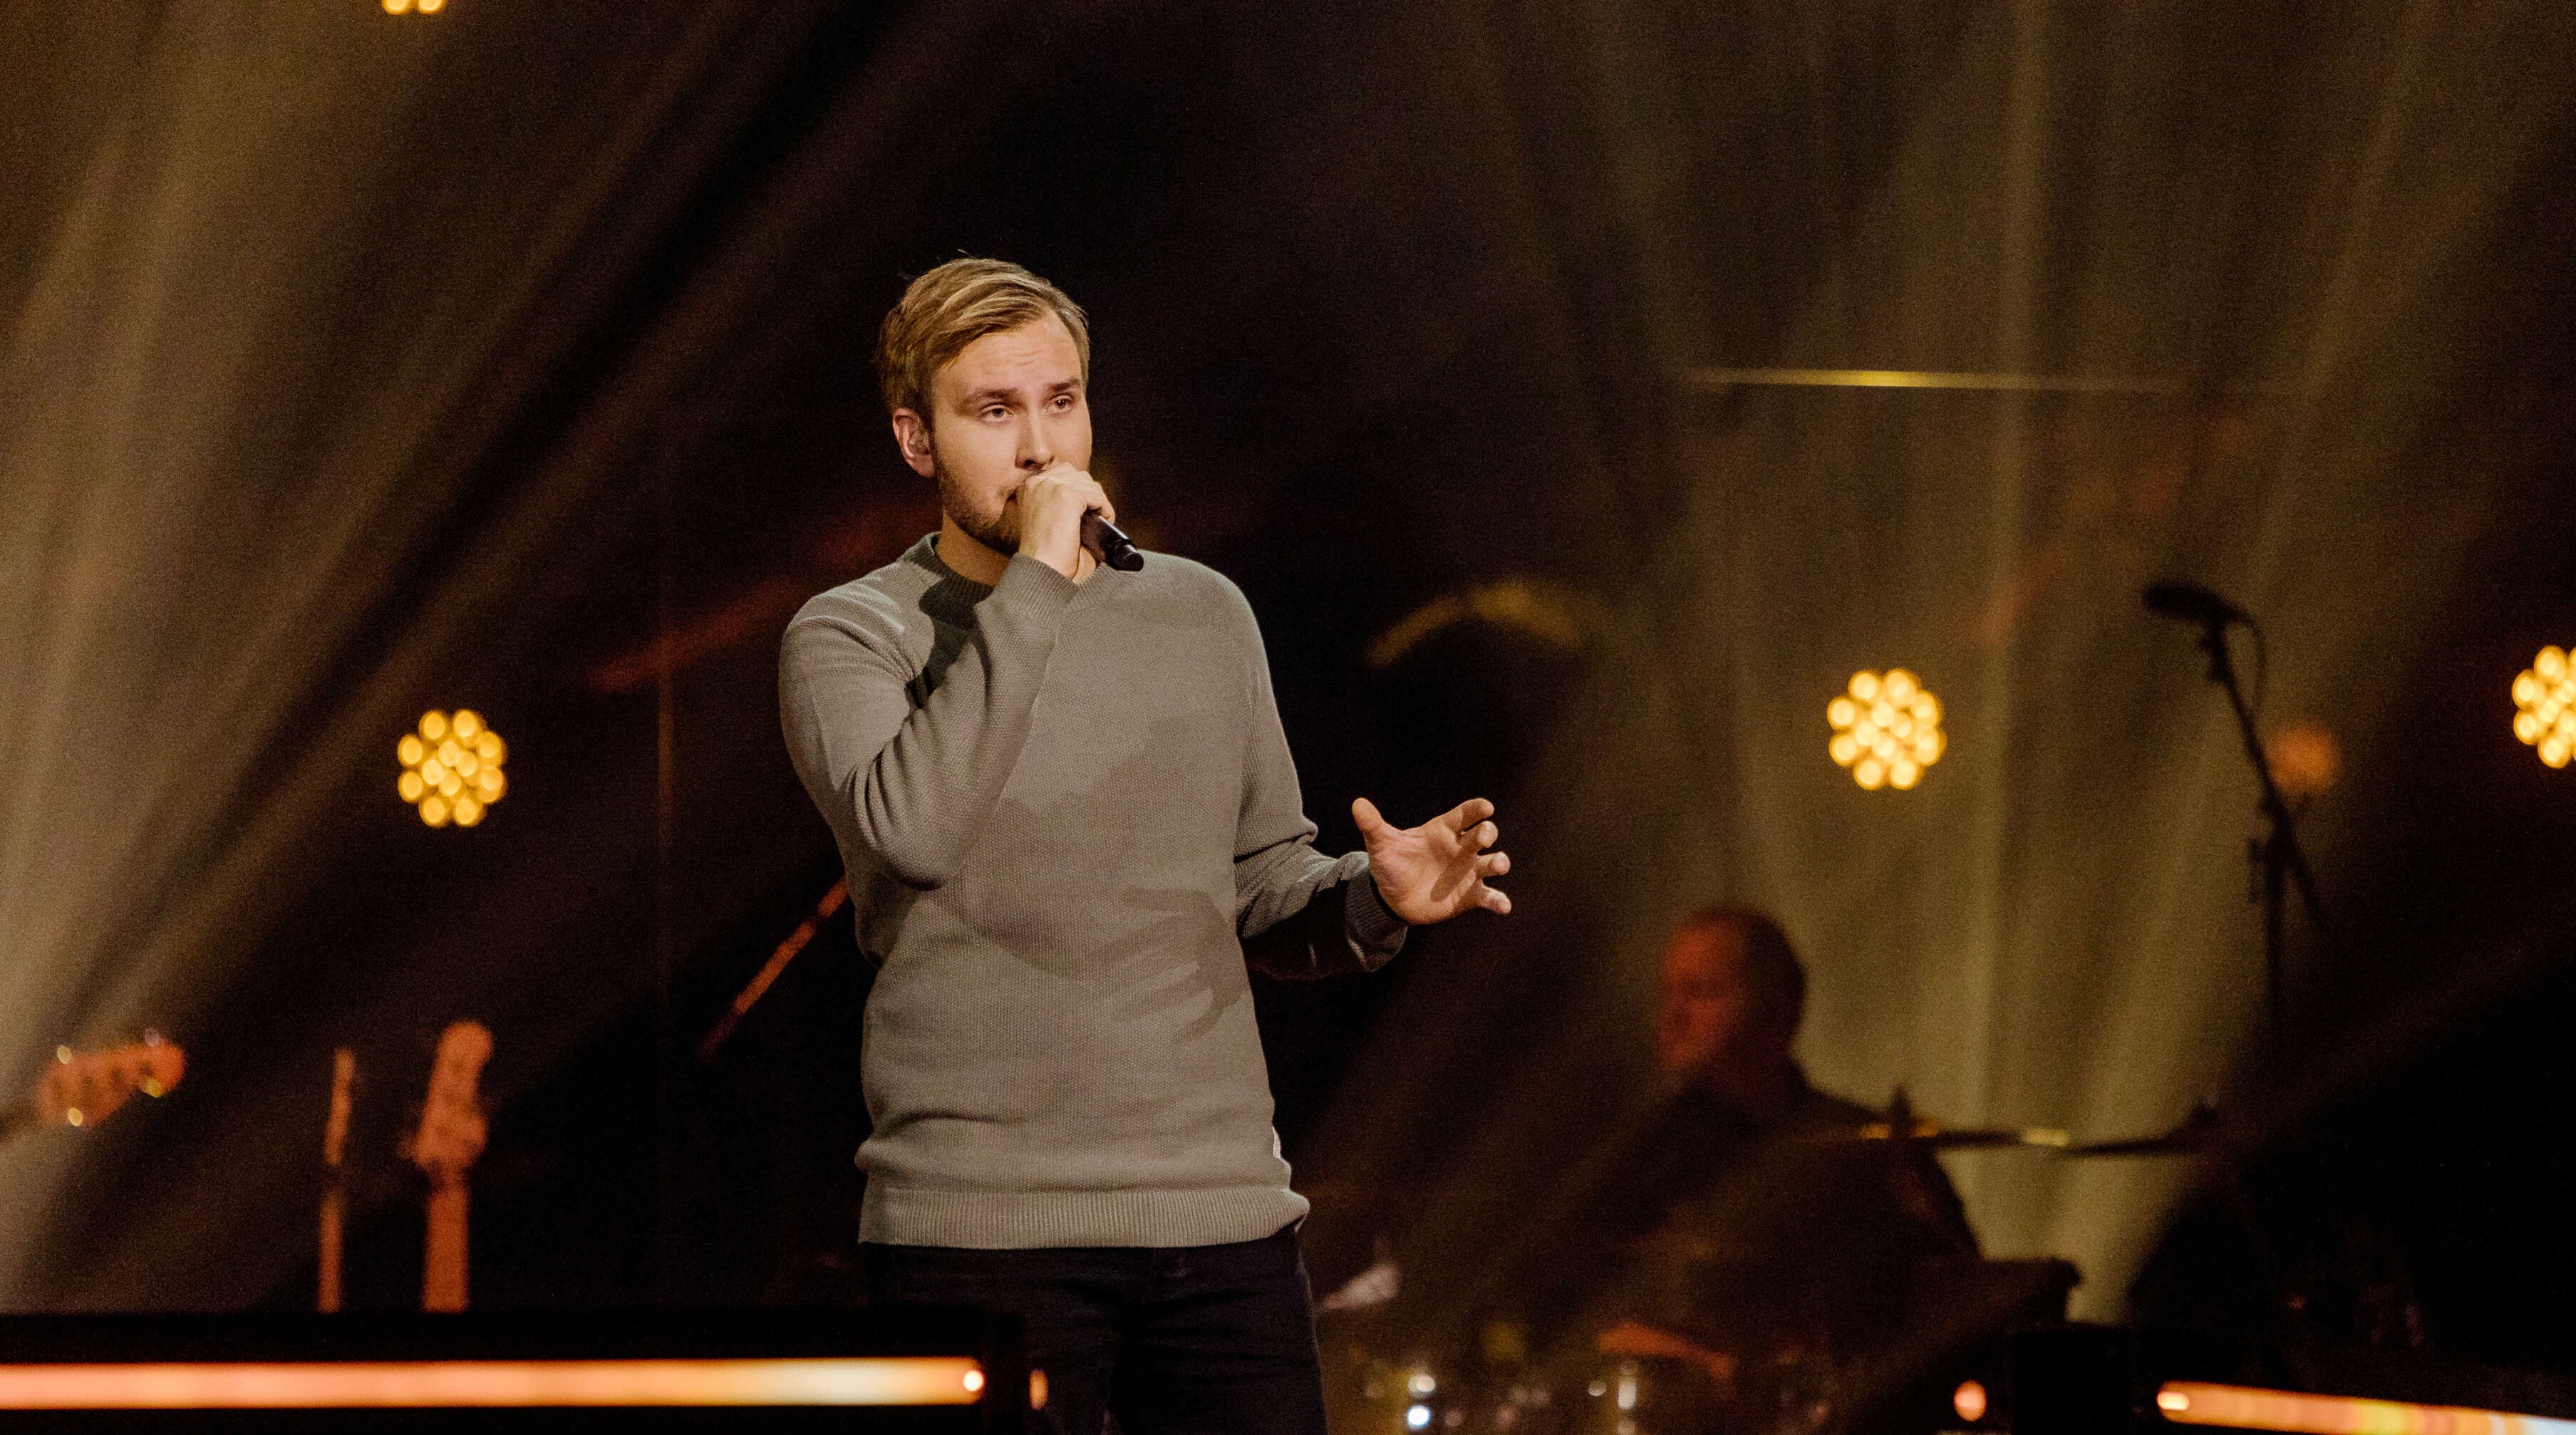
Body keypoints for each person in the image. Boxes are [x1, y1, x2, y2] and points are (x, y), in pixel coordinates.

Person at [778, 257, 1514, 1435]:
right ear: (917, 439)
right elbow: (913, 829)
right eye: (994, 411)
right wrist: (1036, 583)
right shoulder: (853, 635)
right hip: (982, 1234)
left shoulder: (1200, 612)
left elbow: (1260, 887)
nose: (1040, 447)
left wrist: (1372, 896)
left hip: (1223, 1227)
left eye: (1061, 401)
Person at [1556, 908, 1978, 1383]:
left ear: (1779, 1011)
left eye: (1701, 993)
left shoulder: (1866, 1153)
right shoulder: (1634, 1157)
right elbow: (1567, 1304)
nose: (1673, 1016)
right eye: (1668, 994)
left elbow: (1959, 1294)